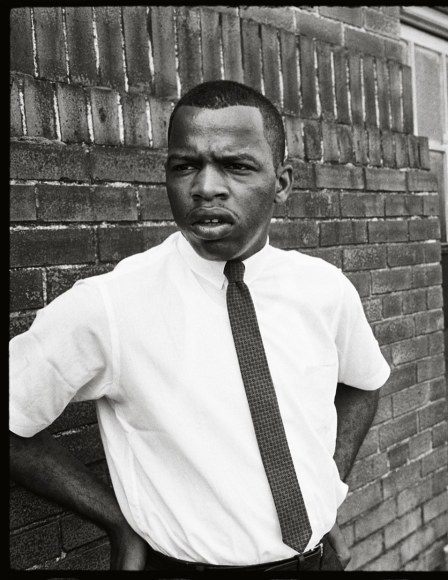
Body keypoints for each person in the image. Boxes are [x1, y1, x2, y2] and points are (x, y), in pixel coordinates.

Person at [9, 80, 391, 571]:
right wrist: (117, 521)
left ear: (283, 182)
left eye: (236, 165)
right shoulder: (109, 305)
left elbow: (365, 384)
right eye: (185, 165)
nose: (205, 187)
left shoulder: (324, 288)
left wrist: (326, 488)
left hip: (318, 563)